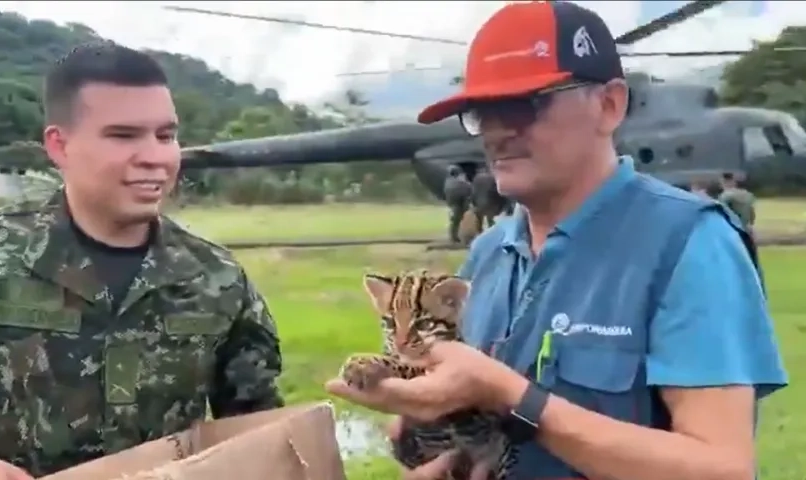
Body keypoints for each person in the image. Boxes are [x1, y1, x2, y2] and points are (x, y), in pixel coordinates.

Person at [326, 3, 786, 480]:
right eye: (482, 113)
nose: (498, 132)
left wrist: (514, 398)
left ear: (609, 105)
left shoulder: (689, 243)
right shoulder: (488, 254)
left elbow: (721, 470)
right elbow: (481, 431)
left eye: (524, 104)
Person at [0, 42, 284, 480]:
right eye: (123, 135)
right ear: (60, 145)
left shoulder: (215, 277)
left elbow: (257, 425)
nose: (155, 157)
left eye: (166, 135)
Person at [719, 172, 756, 236]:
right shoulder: (748, 194)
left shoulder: (725, 196)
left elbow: (723, 213)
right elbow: (752, 213)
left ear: (724, 182)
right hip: (746, 228)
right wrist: (751, 225)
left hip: (732, 230)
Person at [443, 165, 472, 243]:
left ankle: (454, 236)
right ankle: (455, 237)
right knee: (457, 221)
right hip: (458, 204)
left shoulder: (448, 181)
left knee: (455, 221)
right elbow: (467, 189)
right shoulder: (459, 182)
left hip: (452, 204)